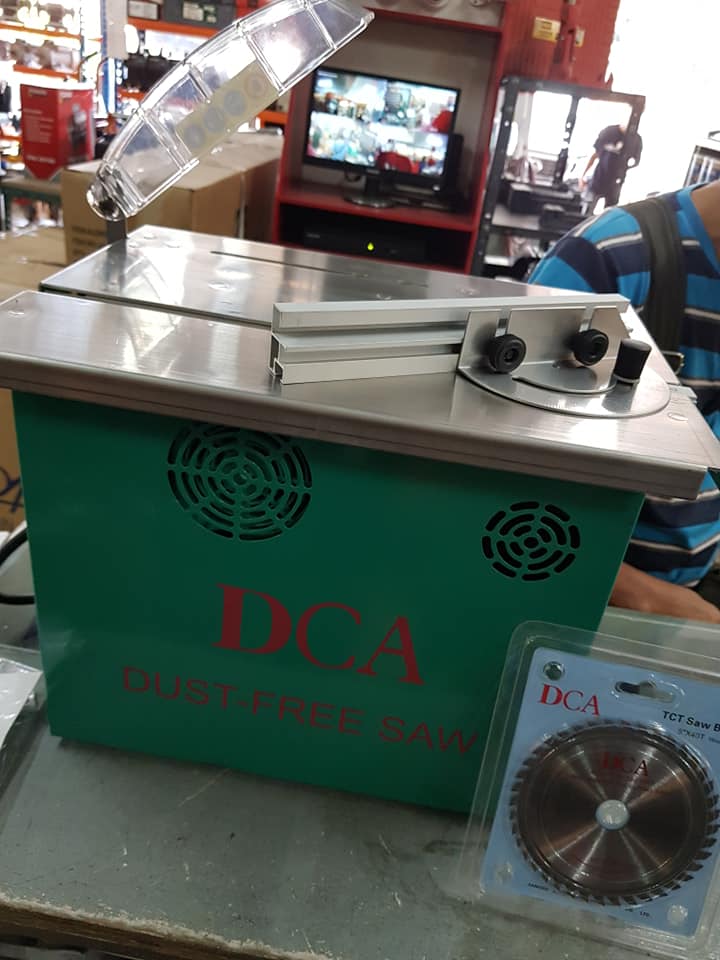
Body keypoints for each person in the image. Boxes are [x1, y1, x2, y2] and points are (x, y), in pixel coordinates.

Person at [529, 179, 720, 624]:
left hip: (693, 585)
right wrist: (640, 596)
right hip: (565, 590)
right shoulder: (606, 261)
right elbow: (484, 486)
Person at [580, 122, 643, 210]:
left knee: (609, 210)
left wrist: (624, 168)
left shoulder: (636, 139)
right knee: (587, 208)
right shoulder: (609, 132)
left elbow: (636, 162)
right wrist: (582, 176)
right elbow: (594, 155)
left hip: (615, 183)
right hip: (598, 179)